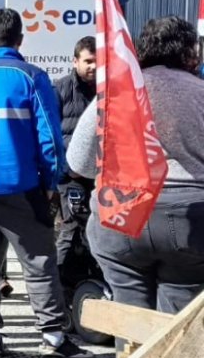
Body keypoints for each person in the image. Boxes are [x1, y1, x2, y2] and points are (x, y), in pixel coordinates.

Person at [0, 9, 92, 358]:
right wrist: (51, 182)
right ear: (20, 41)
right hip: (23, 186)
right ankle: (53, 338)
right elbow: (50, 137)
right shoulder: (32, 77)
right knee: (38, 261)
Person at [68, 16, 204, 314]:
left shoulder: (116, 93)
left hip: (121, 215)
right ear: (189, 53)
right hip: (190, 220)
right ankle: (172, 357)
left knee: (129, 316)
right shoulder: (200, 92)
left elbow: (79, 162)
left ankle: (132, 354)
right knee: (180, 316)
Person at [53, 36, 97, 286]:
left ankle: (91, 282)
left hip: (101, 177)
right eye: (88, 61)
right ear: (75, 61)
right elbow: (52, 134)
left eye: (98, 62)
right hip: (72, 177)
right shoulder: (60, 89)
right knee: (71, 230)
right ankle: (60, 288)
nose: (93, 67)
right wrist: (70, 168)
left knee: (97, 232)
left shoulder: (110, 90)